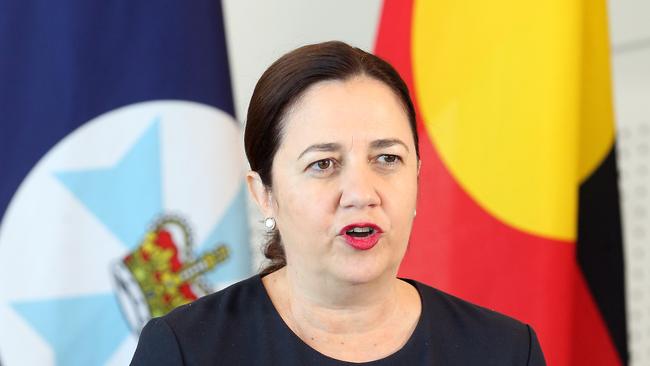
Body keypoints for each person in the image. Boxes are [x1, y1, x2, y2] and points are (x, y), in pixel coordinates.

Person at [131, 41, 546, 365]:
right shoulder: (184, 350)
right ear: (264, 193)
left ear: (417, 178)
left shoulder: (506, 350)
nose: (362, 193)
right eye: (323, 163)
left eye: (387, 158)